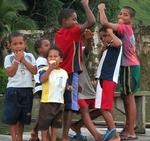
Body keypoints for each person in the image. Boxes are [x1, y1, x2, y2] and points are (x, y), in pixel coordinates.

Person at [98, 3, 140, 140]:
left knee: (129, 97)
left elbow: (104, 23)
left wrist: (101, 9)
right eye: (120, 13)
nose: (121, 16)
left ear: (131, 19)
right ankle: (129, 127)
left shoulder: (125, 28)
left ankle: (131, 131)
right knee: (126, 96)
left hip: (129, 66)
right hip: (126, 66)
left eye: (125, 15)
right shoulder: (123, 29)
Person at [55, 0, 95, 141]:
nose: (76, 22)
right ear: (65, 20)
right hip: (70, 73)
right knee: (70, 107)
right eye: (74, 19)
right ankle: (65, 136)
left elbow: (80, 50)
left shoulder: (59, 33)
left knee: (59, 105)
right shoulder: (73, 31)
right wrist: (85, 4)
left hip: (59, 73)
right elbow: (91, 21)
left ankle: (55, 135)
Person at [2, 32, 37, 141]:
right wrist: (17, 60)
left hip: (27, 90)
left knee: (23, 117)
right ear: (10, 45)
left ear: (25, 44)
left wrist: (23, 60)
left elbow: (34, 71)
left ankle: (20, 138)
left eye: (20, 43)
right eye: (15, 44)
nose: (18, 46)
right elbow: (10, 73)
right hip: (13, 90)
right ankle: (14, 138)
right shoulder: (9, 58)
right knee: (12, 117)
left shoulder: (30, 56)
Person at [69, 29, 102, 141]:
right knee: (83, 107)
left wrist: (88, 40)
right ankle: (96, 134)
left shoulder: (80, 51)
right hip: (76, 89)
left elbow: (87, 50)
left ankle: (77, 125)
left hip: (87, 88)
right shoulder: (63, 53)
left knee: (102, 107)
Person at [95, 27, 122, 141]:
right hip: (104, 79)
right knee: (107, 108)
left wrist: (110, 31)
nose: (103, 39)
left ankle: (115, 136)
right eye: (101, 37)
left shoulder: (116, 44)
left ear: (112, 34)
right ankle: (111, 130)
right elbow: (101, 58)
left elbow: (118, 42)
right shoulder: (109, 47)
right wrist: (104, 47)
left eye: (105, 36)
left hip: (107, 79)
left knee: (104, 108)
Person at [38, 47, 69, 141]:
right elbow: (42, 80)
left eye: (55, 56)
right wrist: (49, 69)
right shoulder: (44, 69)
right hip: (47, 102)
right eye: (50, 57)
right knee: (44, 127)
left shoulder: (64, 72)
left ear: (61, 59)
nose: (52, 58)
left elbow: (64, 84)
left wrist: (68, 87)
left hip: (59, 103)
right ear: (47, 59)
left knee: (56, 126)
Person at [29, 38, 51, 141]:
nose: (49, 47)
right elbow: (43, 75)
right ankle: (35, 132)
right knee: (45, 112)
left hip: (45, 88)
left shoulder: (47, 60)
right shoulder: (41, 60)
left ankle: (35, 132)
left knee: (44, 112)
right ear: (39, 49)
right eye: (46, 45)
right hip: (42, 88)